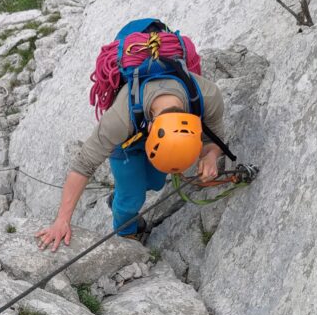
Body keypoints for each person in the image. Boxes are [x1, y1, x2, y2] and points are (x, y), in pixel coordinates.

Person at [36, 73, 225, 253]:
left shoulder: (207, 96)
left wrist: (210, 156)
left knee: (156, 183)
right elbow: (84, 164)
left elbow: (214, 141)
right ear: (151, 126)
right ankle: (127, 235)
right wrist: (62, 220)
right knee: (131, 200)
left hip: (155, 137)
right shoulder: (119, 119)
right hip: (125, 145)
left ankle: (124, 195)